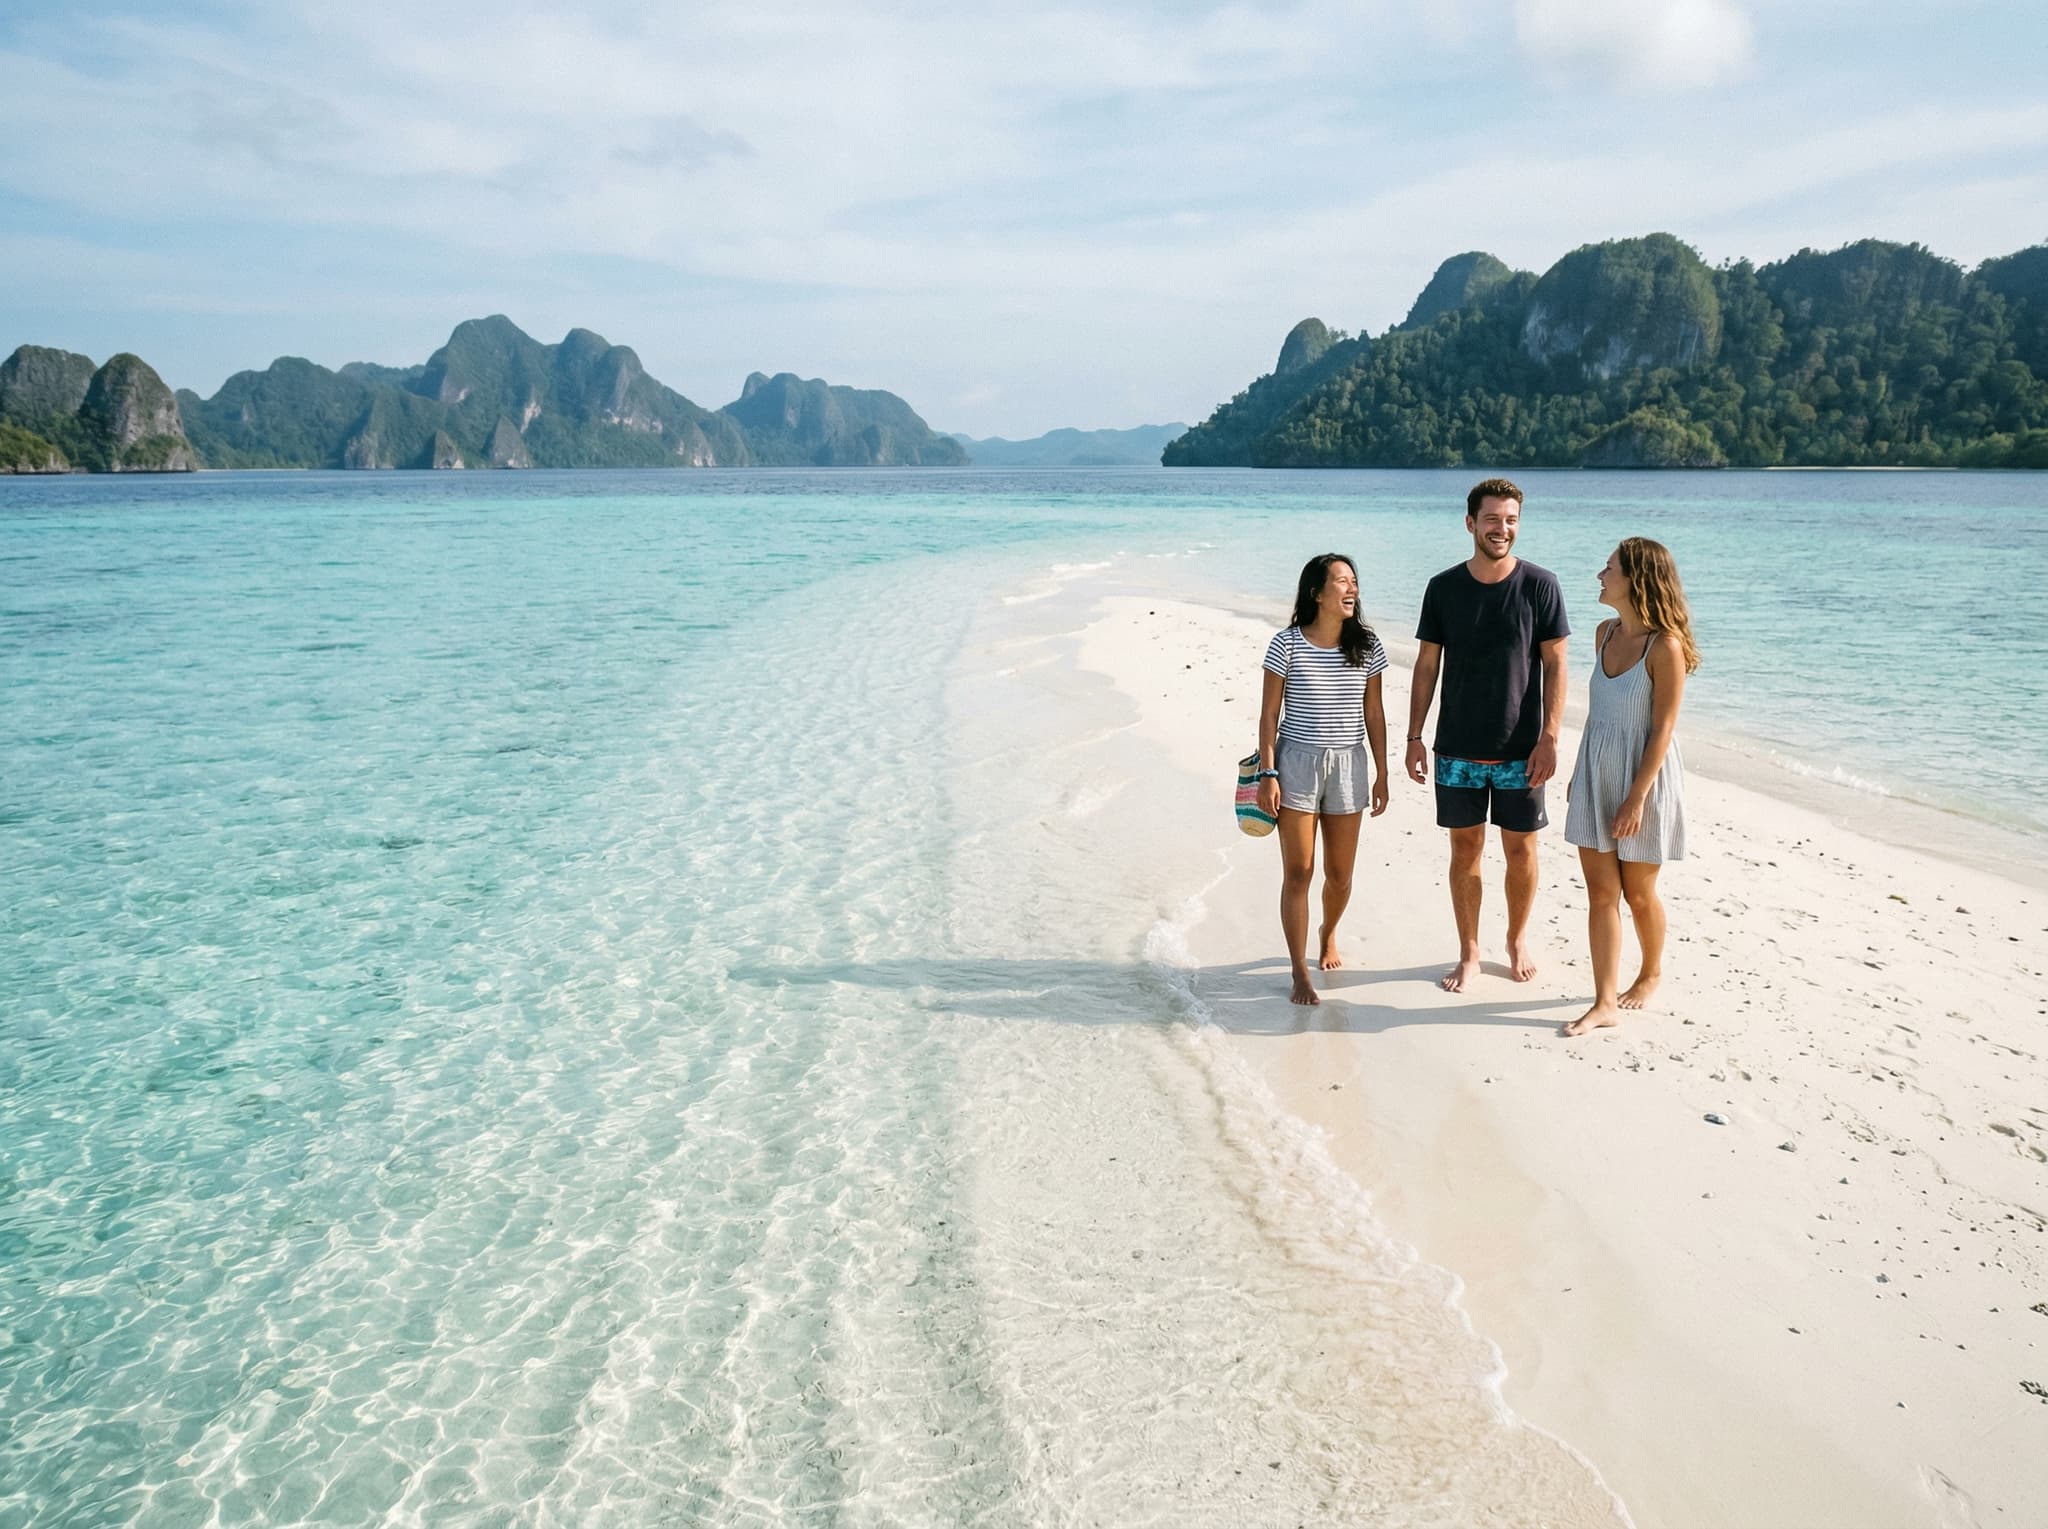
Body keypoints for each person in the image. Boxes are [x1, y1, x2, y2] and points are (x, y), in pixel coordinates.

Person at [1404, 478, 1569, 992]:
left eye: (1512, 520)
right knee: (1465, 851)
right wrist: (1414, 735)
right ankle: (1470, 950)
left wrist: (1551, 736)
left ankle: (1517, 939)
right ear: (1471, 522)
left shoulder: (1541, 585)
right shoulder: (1443, 587)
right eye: (1493, 519)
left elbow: (1556, 664)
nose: (1503, 529)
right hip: (1457, 746)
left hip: (1523, 749)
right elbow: (1427, 665)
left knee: (1522, 852)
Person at [1561, 538, 1699, 1037]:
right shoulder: (1603, 633)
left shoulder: (1666, 647)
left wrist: (1637, 796)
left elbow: (1661, 730)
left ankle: (1651, 973)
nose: (1600, 574)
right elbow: (1600, 715)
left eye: (1610, 568)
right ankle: (1604, 1001)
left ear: (1637, 579)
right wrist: (1581, 771)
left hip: (1646, 777)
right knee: (1601, 892)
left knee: (1638, 894)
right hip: (1597, 771)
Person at [1256, 554, 1390, 1006]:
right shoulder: (1286, 644)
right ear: (1317, 593)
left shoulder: (1368, 645)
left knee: (1339, 876)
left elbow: (1374, 713)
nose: (1351, 589)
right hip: (1295, 764)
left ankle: (1328, 931)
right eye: (1341, 582)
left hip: (1349, 764)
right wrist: (1268, 774)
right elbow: (1268, 716)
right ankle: (1298, 970)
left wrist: (1383, 771)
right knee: (1299, 872)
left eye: (1354, 581)